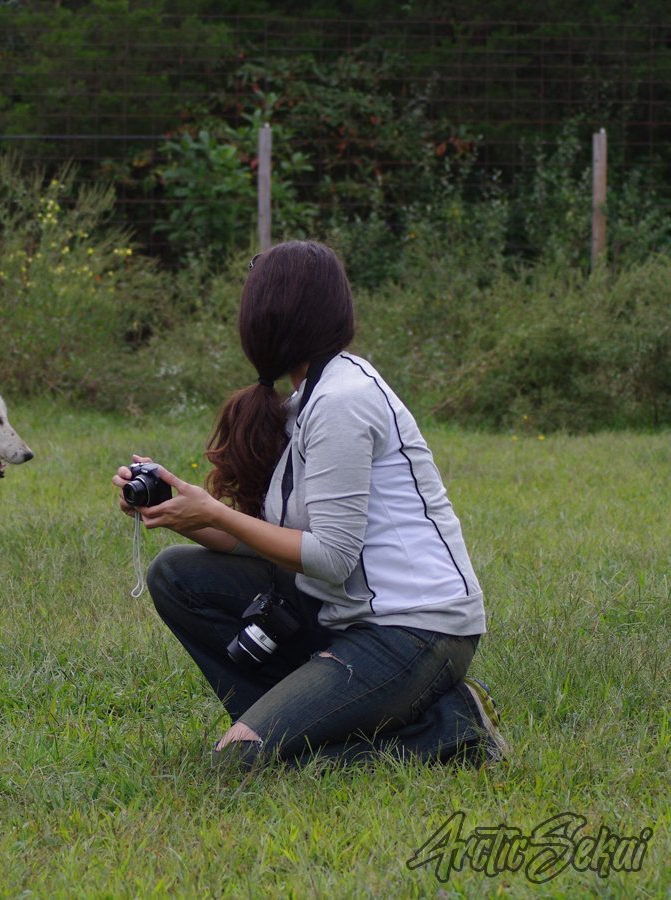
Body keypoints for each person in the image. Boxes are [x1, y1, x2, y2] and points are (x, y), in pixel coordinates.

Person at [113, 240, 508, 768]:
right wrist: (182, 512)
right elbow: (270, 543)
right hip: (346, 616)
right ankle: (288, 726)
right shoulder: (308, 400)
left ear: (270, 317)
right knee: (176, 574)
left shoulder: (343, 400)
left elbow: (331, 557)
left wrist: (215, 511)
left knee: (240, 763)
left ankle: (452, 729)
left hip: (415, 632)